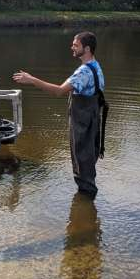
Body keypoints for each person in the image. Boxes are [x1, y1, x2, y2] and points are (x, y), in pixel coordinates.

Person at [13, 31, 105, 198]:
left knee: (82, 163)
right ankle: (86, 204)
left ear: (87, 48)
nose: (72, 47)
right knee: (87, 160)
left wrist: (32, 80)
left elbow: (59, 91)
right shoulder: (96, 66)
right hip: (91, 121)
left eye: (76, 45)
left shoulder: (84, 71)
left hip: (83, 124)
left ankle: (85, 204)